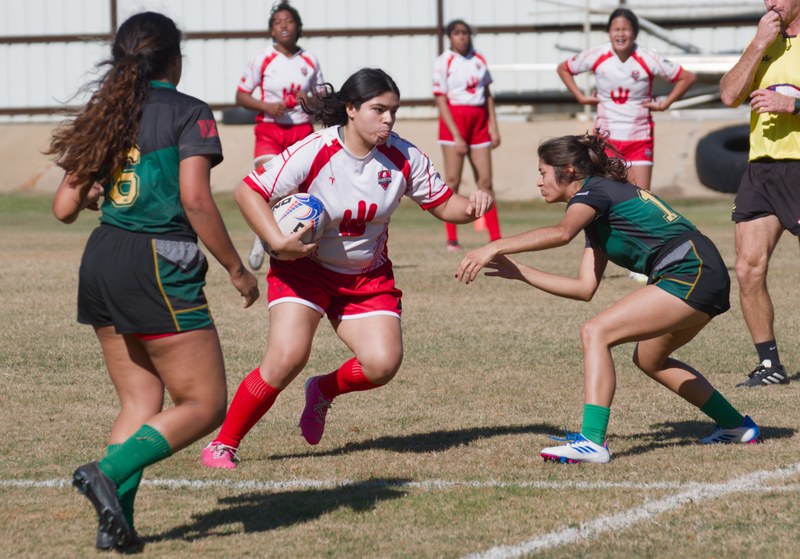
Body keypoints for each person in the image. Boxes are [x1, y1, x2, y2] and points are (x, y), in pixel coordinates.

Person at [201, 68, 493, 468]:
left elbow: (444, 205)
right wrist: (278, 241)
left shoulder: (403, 156)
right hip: (304, 271)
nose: (388, 120)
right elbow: (248, 191)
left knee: (382, 364)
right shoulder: (315, 150)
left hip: (366, 277)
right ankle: (223, 444)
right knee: (286, 358)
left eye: (393, 111)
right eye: (379, 110)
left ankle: (322, 390)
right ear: (351, 109)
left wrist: (474, 204)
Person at [47, 12, 259, 551]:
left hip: (103, 257)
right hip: (157, 261)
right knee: (205, 404)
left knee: (140, 402)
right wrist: (237, 269)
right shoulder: (189, 111)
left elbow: (64, 207)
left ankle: (115, 524)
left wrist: (98, 192)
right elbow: (195, 199)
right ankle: (104, 472)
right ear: (174, 59)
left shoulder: (106, 110)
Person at [455, 133, 760, 464]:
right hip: (700, 271)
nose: (539, 182)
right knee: (651, 359)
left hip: (690, 269)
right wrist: (520, 271)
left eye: (543, 173)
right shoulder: (596, 211)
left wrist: (493, 246)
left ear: (568, 171)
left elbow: (561, 233)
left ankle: (592, 441)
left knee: (595, 332)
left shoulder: (594, 192)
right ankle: (736, 426)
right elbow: (584, 288)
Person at [556, 7, 696, 282]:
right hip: (606, 141)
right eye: (616, 29)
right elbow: (564, 68)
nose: (620, 34)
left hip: (639, 136)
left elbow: (686, 77)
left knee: (641, 197)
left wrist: (666, 103)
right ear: (609, 33)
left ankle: (642, 262)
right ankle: (598, 258)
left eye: (626, 29)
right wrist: (581, 97)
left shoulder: (647, 57)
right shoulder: (597, 55)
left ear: (634, 33)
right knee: (602, 199)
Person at [719, 0, 800, 387]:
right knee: (747, 268)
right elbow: (729, 95)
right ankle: (770, 365)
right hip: (762, 169)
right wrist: (757, 44)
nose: (771, 3)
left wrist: (793, 104)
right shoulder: (763, 40)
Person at [239, 1, 325, 271]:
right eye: (278, 22)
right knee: (275, 186)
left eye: (289, 21)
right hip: (270, 130)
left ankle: (291, 246)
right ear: (272, 30)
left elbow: (323, 97)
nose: (284, 26)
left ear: (298, 27)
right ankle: (262, 236)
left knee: (298, 192)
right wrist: (266, 106)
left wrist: (309, 99)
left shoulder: (310, 60)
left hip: (302, 131)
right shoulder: (262, 59)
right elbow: (241, 95)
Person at [433, 19, 502, 251]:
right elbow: (440, 99)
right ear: (450, 36)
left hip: (479, 121)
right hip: (455, 121)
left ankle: (495, 237)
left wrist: (493, 126)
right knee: (452, 181)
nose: (462, 37)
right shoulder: (444, 61)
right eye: (457, 33)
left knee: (486, 182)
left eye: (465, 33)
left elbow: (488, 93)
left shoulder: (478, 59)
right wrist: (456, 135)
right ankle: (452, 239)